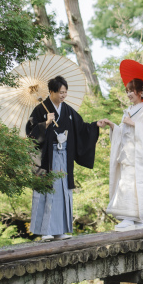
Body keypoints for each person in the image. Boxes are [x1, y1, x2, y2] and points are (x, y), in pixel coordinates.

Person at [26, 76, 106, 240]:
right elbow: (31, 133)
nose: (63, 95)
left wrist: (95, 125)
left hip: (64, 156)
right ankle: (45, 231)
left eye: (65, 92)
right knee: (48, 191)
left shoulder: (68, 111)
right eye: (61, 92)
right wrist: (46, 124)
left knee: (62, 191)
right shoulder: (40, 110)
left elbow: (82, 127)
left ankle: (59, 230)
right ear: (51, 92)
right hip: (47, 159)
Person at [102, 78, 143, 232]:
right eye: (127, 91)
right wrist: (112, 125)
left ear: (140, 92)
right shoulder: (129, 110)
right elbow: (122, 132)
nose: (129, 94)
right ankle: (131, 219)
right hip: (127, 154)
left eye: (132, 91)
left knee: (134, 185)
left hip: (138, 157)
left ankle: (134, 218)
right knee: (125, 184)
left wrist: (134, 124)